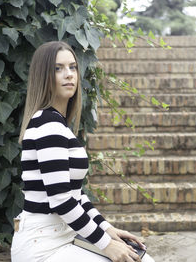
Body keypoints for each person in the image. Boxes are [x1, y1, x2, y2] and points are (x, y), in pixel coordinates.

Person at [11, 41, 155, 262]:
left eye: (73, 67)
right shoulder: (48, 125)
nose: (69, 74)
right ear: (43, 76)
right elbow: (61, 200)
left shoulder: (57, 125)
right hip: (42, 245)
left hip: (63, 236)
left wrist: (107, 229)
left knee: (142, 259)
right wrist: (107, 245)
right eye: (58, 68)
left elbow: (75, 195)